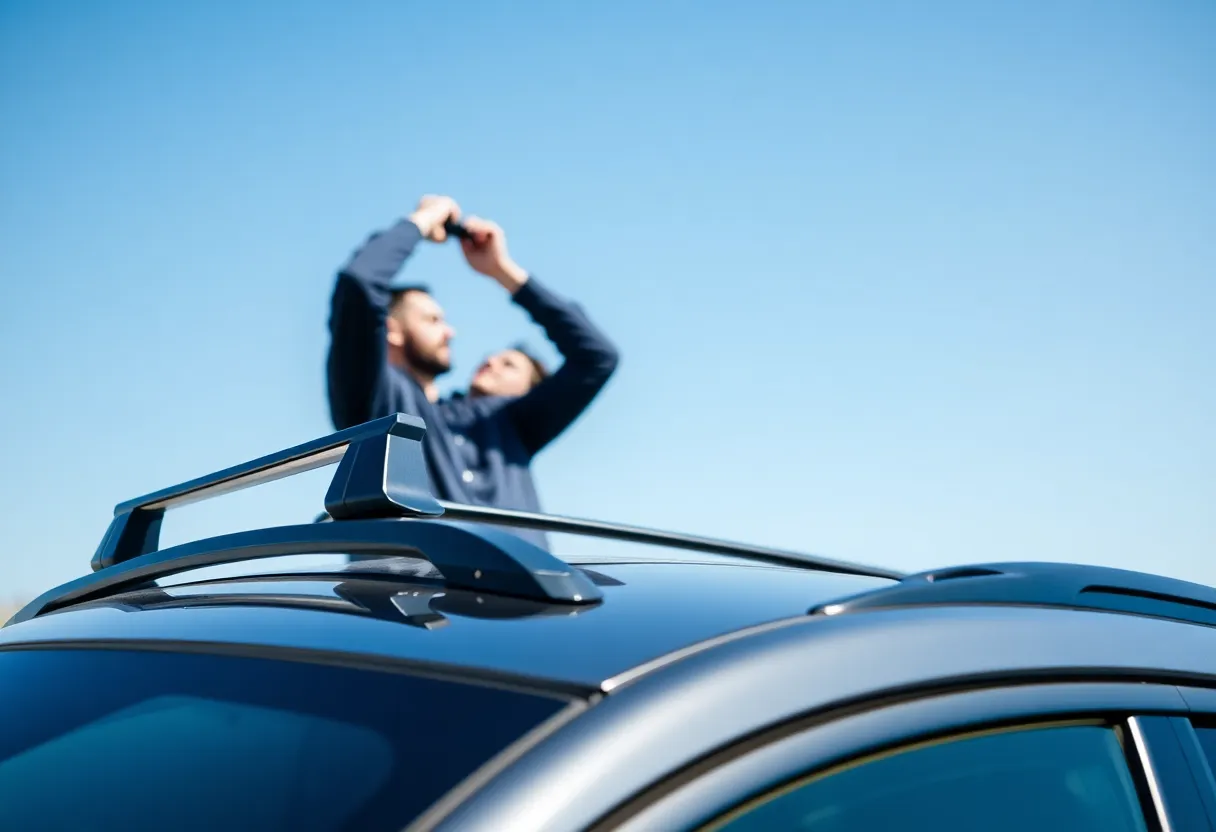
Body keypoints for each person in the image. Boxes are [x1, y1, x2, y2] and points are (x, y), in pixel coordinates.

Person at [326, 195, 619, 547]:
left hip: (532, 598)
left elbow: (597, 357)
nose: (451, 332)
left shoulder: (506, 422)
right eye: (433, 320)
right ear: (392, 330)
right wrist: (423, 219)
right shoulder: (378, 408)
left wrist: (501, 270)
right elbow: (360, 283)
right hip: (423, 600)